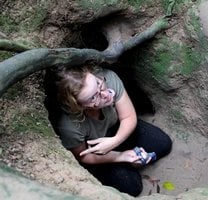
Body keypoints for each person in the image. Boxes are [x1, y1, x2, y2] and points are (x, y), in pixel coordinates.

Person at [43, 65, 172, 196]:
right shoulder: (70, 125)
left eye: (99, 84)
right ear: (78, 106)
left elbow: (128, 116)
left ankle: (129, 162)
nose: (105, 95)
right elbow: (83, 155)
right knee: (132, 187)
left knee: (162, 143)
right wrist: (121, 156)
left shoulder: (108, 78)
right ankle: (126, 164)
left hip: (116, 129)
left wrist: (114, 142)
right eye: (93, 98)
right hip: (96, 149)